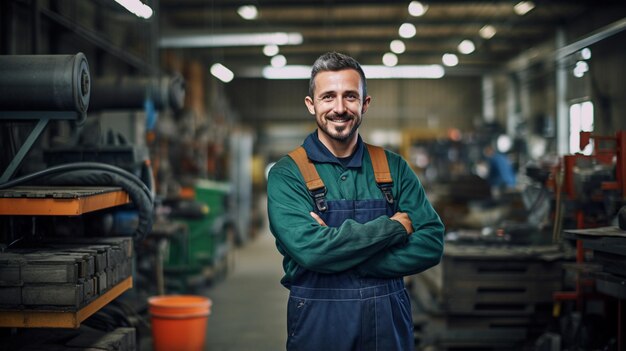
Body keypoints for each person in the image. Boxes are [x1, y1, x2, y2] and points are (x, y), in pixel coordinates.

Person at [266, 52, 445, 351]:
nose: (339, 108)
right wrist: (394, 228)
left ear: (365, 103)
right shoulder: (288, 174)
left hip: (387, 322)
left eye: (350, 96)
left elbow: (431, 243)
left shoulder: (394, 167)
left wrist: (341, 258)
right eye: (328, 97)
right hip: (318, 323)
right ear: (311, 104)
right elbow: (312, 251)